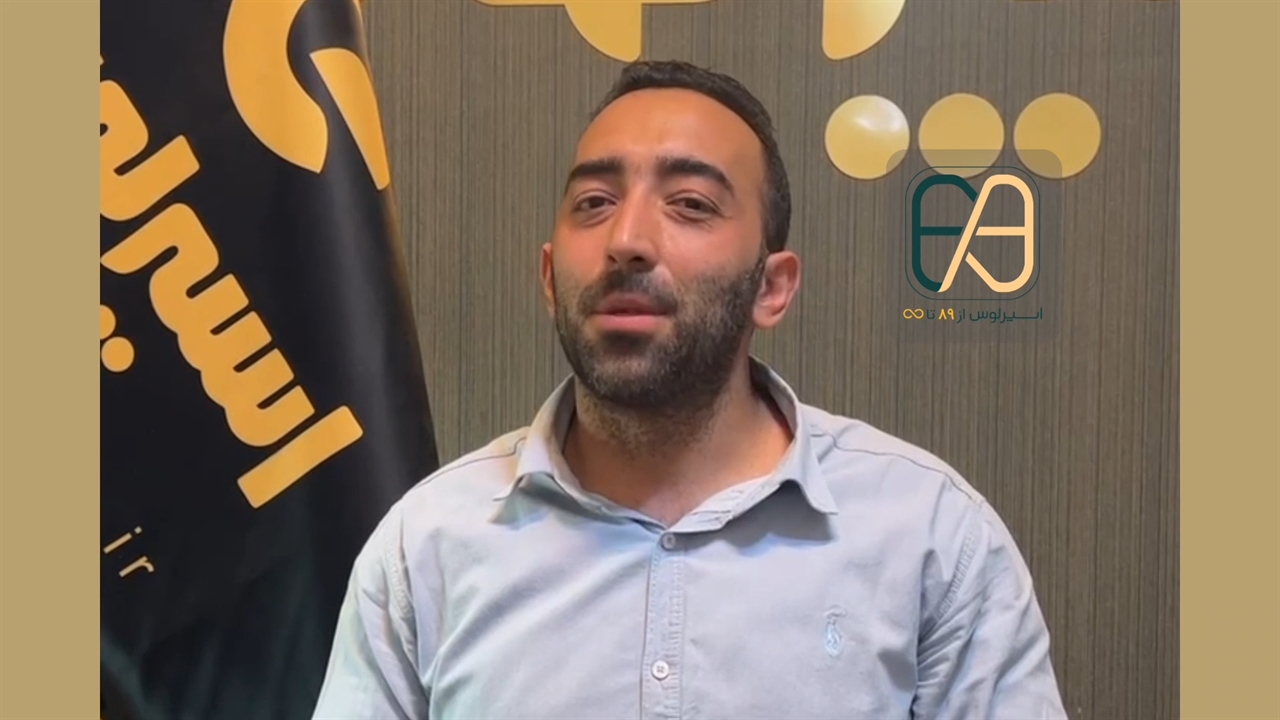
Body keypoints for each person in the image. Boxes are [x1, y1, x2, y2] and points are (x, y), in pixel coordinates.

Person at [311, 60, 1067, 720]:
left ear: (771, 287)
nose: (627, 241)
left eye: (691, 204)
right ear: (548, 277)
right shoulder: (428, 547)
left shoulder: (930, 538)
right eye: (594, 202)